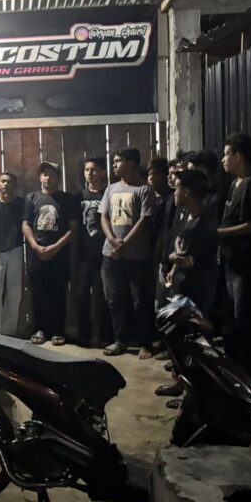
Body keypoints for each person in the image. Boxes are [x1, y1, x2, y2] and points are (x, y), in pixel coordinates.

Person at [155, 169, 220, 398]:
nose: (174, 192)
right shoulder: (186, 216)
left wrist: (174, 259)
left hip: (196, 292)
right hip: (182, 286)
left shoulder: (204, 225)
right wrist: (173, 269)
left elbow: (188, 259)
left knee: (194, 345)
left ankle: (193, 397)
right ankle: (180, 383)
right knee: (178, 340)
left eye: (177, 188)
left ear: (187, 192)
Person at [219, 133, 251, 384]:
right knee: (233, 318)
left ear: (238, 157)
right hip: (232, 262)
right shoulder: (234, 184)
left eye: (226, 154)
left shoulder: (250, 186)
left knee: (244, 319)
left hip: (245, 265)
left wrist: (221, 233)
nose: (223, 159)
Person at [99, 148, 156, 358]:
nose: (114, 165)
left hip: (136, 256)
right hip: (111, 254)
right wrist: (113, 241)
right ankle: (120, 340)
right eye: (113, 161)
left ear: (131, 163)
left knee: (139, 300)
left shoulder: (144, 189)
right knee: (114, 299)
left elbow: (144, 219)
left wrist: (124, 243)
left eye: (118, 161)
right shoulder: (111, 189)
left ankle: (145, 343)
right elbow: (104, 216)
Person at [22, 161, 79, 346]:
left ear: (58, 178)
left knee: (58, 293)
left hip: (59, 255)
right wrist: (35, 246)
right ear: (40, 177)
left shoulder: (66, 199)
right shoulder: (31, 198)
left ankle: (58, 331)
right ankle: (40, 329)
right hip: (36, 255)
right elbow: (26, 224)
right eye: (44, 174)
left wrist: (56, 246)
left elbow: (73, 227)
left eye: (51, 175)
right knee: (38, 293)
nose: (47, 178)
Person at [68, 156, 110, 347]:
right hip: (84, 254)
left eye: (93, 170)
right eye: (86, 170)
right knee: (81, 294)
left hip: (105, 253)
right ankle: (84, 334)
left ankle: (104, 335)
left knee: (105, 295)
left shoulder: (108, 194)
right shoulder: (78, 197)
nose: (89, 173)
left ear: (102, 172)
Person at [0, 172, 24, 336]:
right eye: (3, 181)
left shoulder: (21, 204)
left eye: (9, 182)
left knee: (15, 292)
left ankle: (10, 331)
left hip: (15, 249)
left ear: (15, 185)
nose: (6, 184)